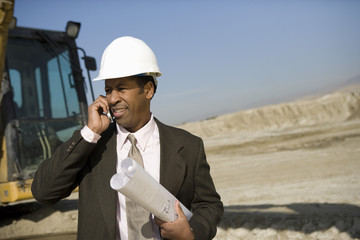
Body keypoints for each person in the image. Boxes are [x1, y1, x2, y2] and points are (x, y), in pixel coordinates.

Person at [31, 36, 223, 240]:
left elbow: (208, 204)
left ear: (148, 90)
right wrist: (90, 131)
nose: (112, 99)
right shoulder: (92, 143)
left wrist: (191, 234)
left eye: (121, 88)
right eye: (108, 90)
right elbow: (44, 192)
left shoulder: (189, 146)